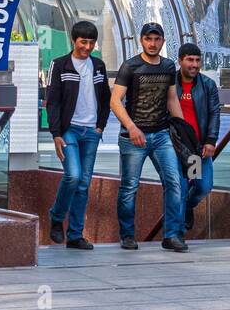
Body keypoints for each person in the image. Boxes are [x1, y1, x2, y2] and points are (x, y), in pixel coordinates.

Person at [111, 22, 188, 252]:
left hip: (162, 135)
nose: (152, 43)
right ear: (141, 41)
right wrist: (132, 128)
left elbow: (172, 99)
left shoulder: (168, 66)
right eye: (148, 39)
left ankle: (171, 235)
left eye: (157, 39)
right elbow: (115, 101)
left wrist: (183, 132)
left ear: (163, 41)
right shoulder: (130, 66)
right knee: (129, 187)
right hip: (132, 137)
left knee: (174, 182)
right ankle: (127, 235)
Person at [45, 21, 110, 250]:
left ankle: (74, 235)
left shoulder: (99, 66)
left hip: (91, 131)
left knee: (83, 184)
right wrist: (56, 134)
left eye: (92, 42)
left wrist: (100, 126)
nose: (88, 46)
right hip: (69, 129)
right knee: (73, 176)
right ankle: (56, 215)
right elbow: (52, 102)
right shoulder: (60, 65)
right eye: (83, 42)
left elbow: (105, 99)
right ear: (73, 40)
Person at [175, 43, 220, 233]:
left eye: (197, 60)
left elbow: (214, 113)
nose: (194, 64)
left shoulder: (207, 85)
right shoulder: (170, 83)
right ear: (180, 61)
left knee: (203, 187)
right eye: (190, 60)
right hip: (176, 147)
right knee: (180, 187)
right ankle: (178, 234)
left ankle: (187, 207)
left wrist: (211, 140)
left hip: (197, 150)